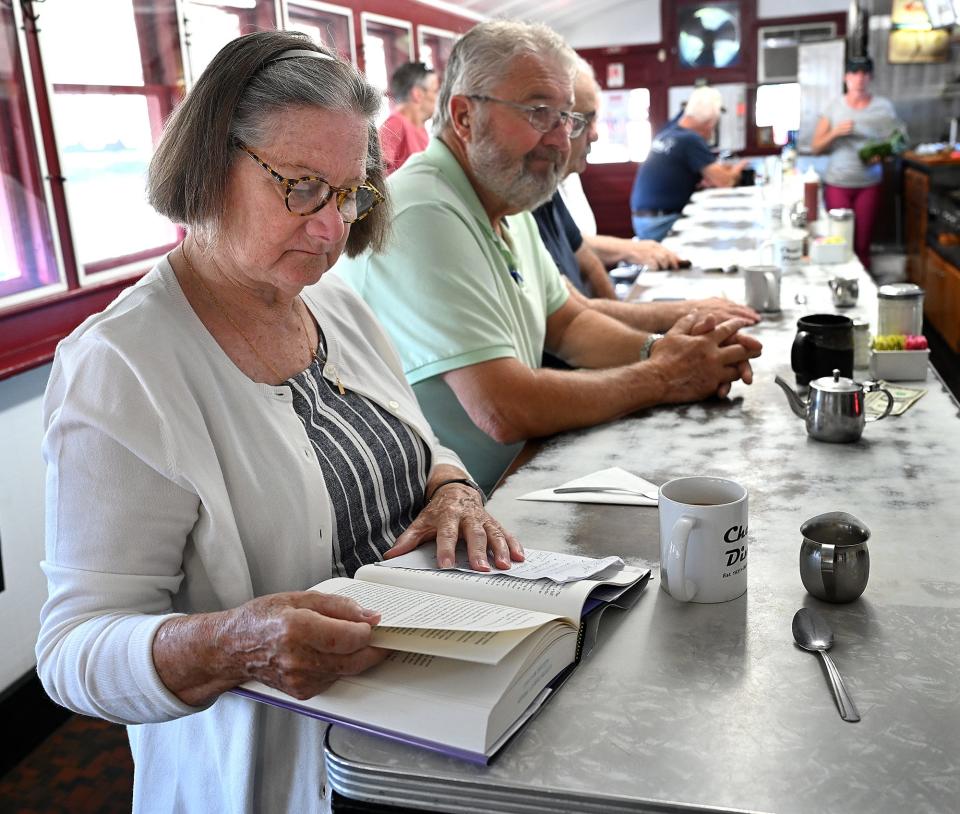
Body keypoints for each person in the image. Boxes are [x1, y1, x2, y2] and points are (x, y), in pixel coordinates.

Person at [36, 32, 521, 814]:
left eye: (352, 192)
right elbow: (69, 653)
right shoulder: (123, 367)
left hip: (421, 733)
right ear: (207, 169)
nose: (333, 229)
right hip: (282, 779)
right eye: (300, 187)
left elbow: (419, 443)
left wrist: (454, 488)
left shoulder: (335, 305)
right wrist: (231, 644)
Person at [333, 20, 762, 494]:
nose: (561, 140)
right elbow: (503, 407)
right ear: (463, 116)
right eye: (539, 113)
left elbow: (569, 322)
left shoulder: (505, 198)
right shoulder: (423, 211)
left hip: (512, 481)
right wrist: (665, 375)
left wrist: (664, 350)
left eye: (568, 118)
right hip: (445, 512)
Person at [533, 60, 760, 333]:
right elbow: (570, 317)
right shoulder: (529, 192)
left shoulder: (548, 190)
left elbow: (587, 262)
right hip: (656, 222)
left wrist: (631, 331)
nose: (595, 134)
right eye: (581, 120)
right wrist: (678, 317)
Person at [811, 55, 901, 270]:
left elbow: (897, 144)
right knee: (839, 241)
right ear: (846, 78)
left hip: (868, 182)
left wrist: (885, 155)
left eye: (864, 73)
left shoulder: (883, 108)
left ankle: (864, 293)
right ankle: (837, 282)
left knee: (862, 242)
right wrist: (835, 132)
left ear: (870, 77)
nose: (859, 79)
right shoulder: (834, 107)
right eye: (854, 73)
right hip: (838, 182)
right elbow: (816, 147)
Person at [629, 86, 747, 241]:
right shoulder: (691, 140)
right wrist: (738, 169)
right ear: (710, 123)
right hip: (661, 223)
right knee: (723, 233)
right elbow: (724, 182)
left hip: (644, 220)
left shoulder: (669, 132)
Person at [379, 61, 439, 174]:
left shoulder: (420, 129)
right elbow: (374, 172)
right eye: (435, 91)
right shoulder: (395, 124)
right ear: (417, 94)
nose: (438, 97)